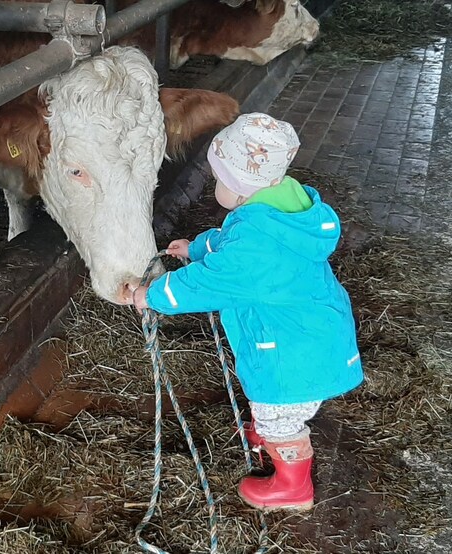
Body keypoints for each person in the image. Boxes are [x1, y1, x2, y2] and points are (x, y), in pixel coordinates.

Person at [132, 112, 363, 512]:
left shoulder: (254, 242)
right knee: (277, 409)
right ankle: (270, 426)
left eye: (219, 180)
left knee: (282, 417)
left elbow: (209, 283)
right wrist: (198, 248)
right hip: (315, 331)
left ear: (239, 187)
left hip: (292, 356)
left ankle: (292, 487)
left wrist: (152, 295)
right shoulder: (282, 205)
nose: (216, 187)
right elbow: (235, 240)